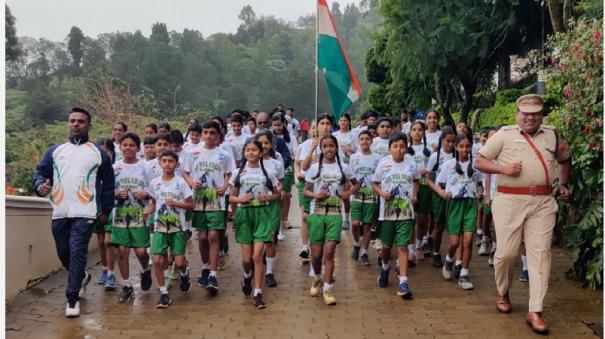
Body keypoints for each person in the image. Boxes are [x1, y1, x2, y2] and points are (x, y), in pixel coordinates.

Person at [475, 94, 571, 335]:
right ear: (518, 114)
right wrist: (502, 169)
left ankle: (535, 310)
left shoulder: (552, 134)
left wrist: (564, 184)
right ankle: (502, 290)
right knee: (506, 253)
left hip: (542, 201)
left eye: (535, 113)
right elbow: (479, 161)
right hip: (509, 200)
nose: (530, 118)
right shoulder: (504, 135)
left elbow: (565, 159)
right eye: (526, 113)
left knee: (541, 254)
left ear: (541, 115)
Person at [33, 107, 115, 318]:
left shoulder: (98, 153)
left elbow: (109, 183)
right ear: (68, 124)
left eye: (80, 121)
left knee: (77, 251)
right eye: (72, 121)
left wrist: (105, 209)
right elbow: (40, 173)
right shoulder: (55, 150)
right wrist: (40, 185)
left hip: (85, 212)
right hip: (60, 211)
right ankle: (82, 277)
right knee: (63, 253)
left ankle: (72, 298)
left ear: (89, 125)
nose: (75, 124)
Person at [183, 121, 235, 295]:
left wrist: (225, 186)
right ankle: (205, 267)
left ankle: (213, 274)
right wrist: (191, 182)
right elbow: (185, 171)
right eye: (206, 132)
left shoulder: (224, 155)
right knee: (203, 237)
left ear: (219, 135)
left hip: (216, 201)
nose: (208, 136)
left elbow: (230, 172)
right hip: (198, 200)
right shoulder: (192, 153)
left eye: (213, 133)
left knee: (213, 235)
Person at [303, 135, 356, 305]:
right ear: (321, 149)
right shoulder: (314, 168)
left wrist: (348, 193)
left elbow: (356, 183)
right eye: (325, 146)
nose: (328, 149)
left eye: (331, 146)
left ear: (336, 148)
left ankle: (327, 289)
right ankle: (317, 278)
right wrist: (315, 195)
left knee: (330, 250)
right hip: (316, 213)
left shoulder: (344, 168)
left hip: (334, 214)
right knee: (317, 254)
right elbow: (305, 191)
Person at [229, 139, 280, 309]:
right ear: (244, 152)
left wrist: (269, 197)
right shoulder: (238, 172)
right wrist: (240, 199)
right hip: (244, 214)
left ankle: (258, 292)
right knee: (246, 259)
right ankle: (246, 274)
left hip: (262, 214)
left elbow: (277, 194)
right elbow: (231, 197)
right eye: (248, 150)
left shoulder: (267, 173)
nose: (251, 152)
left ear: (260, 152)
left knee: (257, 256)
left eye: (254, 150)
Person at [431, 133, 483, 290]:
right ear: (456, 147)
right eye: (461, 146)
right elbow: (439, 183)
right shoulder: (449, 165)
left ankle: (464, 274)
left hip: (470, 203)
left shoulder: (475, 165)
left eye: (468, 146)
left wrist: (480, 192)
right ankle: (448, 260)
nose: (465, 150)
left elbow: (480, 182)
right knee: (454, 242)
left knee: (468, 240)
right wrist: (442, 193)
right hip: (454, 204)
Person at [145, 151, 194, 308]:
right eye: (164, 161)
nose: (167, 164)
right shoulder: (154, 183)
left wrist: (177, 204)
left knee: (179, 262)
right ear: (159, 164)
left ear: (177, 164)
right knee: (158, 260)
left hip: (177, 227)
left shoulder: (181, 183)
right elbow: (153, 202)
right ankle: (164, 293)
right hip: (160, 227)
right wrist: (147, 210)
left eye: (171, 161)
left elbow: (191, 204)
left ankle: (185, 274)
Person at [372, 132, 418, 299]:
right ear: (389, 148)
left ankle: (403, 282)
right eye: (395, 146)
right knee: (386, 247)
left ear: (406, 148)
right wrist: (382, 193)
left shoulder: (411, 163)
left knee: (403, 246)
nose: (399, 149)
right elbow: (374, 182)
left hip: (406, 211)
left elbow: (416, 180)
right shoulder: (383, 163)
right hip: (387, 212)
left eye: (402, 146)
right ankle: (385, 268)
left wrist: (414, 194)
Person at [110, 132, 153, 302]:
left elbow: (157, 189)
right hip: (120, 215)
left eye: (132, 145)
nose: (128, 148)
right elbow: (106, 191)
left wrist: (146, 193)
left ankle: (145, 270)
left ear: (138, 148)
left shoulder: (146, 167)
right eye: (125, 145)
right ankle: (127, 286)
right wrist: (115, 194)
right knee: (122, 251)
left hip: (140, 215)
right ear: (120, 147)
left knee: (141, 251)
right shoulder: (114, 168)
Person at [255, 132, 285, 288]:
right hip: (254, 206)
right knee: (256, 238)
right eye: (261, 143)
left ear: (272, 143)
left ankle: (269, 272)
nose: (264, 146)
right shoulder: (250, 163)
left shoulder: (276, 163)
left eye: (267, 143)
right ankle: (256, 264)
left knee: (271, 236)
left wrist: (276, 193)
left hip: (271, 205)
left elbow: (280, 184)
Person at [425, 126, 456, 267]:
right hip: (440, 193)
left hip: (455, 194)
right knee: (439, 225)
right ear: (442, 140)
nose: (450, 144)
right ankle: (436, 253)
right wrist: (438, 191)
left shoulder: (458, 154)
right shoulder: (435, 156)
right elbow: (428, 179)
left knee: (455, 226)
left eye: (453, 141)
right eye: (448, 141)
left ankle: (455, 258)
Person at [348, 131, 381, 266]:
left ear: (371, 141)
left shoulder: (377, 158)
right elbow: (350, 176)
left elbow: (379, 177)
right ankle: (356, 244)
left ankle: (365, 252)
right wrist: (352, 189)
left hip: (371, 196)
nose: (365, 141)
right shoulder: (354, 157)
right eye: (362, 139)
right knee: (355, 224)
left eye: (367, 139)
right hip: (356, 195)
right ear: (358, 141)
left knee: (367, 225)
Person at [408, 121, 432, 261]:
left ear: (424, 132)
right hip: (409, 186)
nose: (417, 132)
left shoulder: (429, 150)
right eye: (414, 130)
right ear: (410, 132)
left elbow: (432, 168)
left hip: (424, 186)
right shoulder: (405, 149)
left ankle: (418, 245)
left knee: (422, 219)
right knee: (410, 218)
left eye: (420, 130)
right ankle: (410, 248)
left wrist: (426, 171)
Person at [271, 114, 298, 237]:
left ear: (285, 124)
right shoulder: (269, 137)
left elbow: (294, 153)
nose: (277, 127)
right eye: (275, 125)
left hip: (286, 167)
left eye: (279, 125)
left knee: (285, 194)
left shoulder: (290, 138)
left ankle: (284, 218)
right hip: (271, 169)